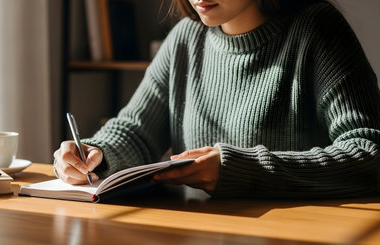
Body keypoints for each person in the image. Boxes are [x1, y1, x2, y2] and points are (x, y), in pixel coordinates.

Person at [54, 0, 380, 198]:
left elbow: (369, 153)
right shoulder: (186, 37)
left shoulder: (316, 29)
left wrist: (237, 169)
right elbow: (135, 132)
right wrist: (95, 154)